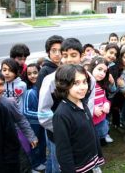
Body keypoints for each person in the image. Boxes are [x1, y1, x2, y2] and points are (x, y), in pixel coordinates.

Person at [38, 38, 97, 173]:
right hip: (57, 135)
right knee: (59, 164)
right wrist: (63, 130)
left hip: (80, 135)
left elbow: (89, 106)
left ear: (81, 56)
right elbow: (43, 113)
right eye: (65, 55)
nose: (69, 59)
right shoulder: (50, 80)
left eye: (73, 55)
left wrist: (81, 129)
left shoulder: (89, 79)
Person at [0, 70, 38, 173]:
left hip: (10, 144)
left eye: (1, 84)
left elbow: (20, 119)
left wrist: (31, 136)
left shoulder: (8, 102)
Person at [53, 65, 104, 173]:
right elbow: (63, 151)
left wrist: (98, 154)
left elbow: (91, 130)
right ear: (64, 85)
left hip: (90, 161)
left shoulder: (82, 102)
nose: (83, 87)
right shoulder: (61, 115)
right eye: (76, 83)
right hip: (78, 167)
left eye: (84, 82)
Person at [88, 57, 112, 145]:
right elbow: (82, 102)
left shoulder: (101, 84)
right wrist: (93, 109)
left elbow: (104, 98)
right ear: (92, 68)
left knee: (100, 137)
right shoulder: (87, 85)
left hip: (101, 118)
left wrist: (106, 103)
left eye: (105, 71)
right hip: (90, 121)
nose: (102, 73)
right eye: (99, 69)